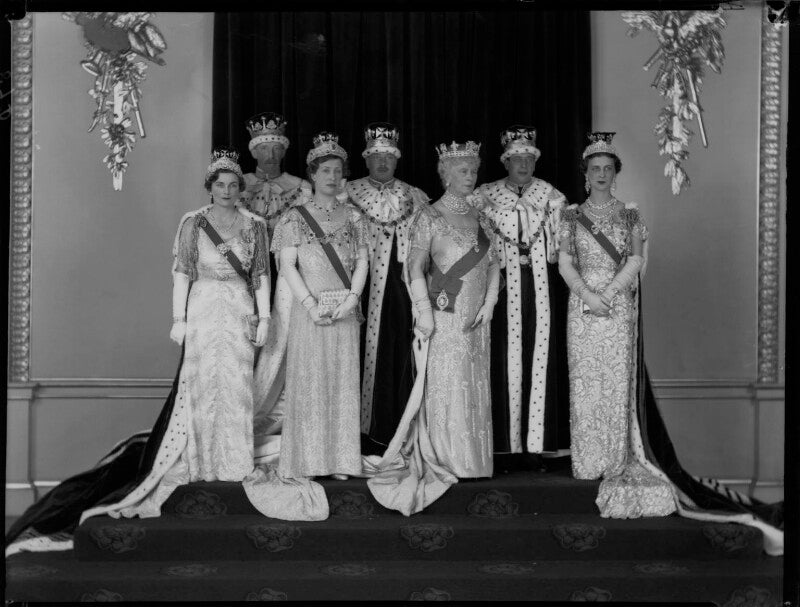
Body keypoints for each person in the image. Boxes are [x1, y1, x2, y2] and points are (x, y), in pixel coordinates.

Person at [557, 133, 783, 554]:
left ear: (616, 174)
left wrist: (610, 292)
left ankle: (619, 456)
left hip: (618, 307)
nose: (602, 175)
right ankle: (589, 458)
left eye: (608, 169)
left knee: (617, 382)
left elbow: (637, 259)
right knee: (585, 382)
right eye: (595, 170)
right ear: (585, 175)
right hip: (583, 309)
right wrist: (589, 296)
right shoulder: (570, 217)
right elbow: (566, 261)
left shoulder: (630, 216)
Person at [80, 149, 272, 521]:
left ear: (240, 189)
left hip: (238, 308)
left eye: (234, 185)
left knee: (236, 384)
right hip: (202, 307)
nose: (227, 191)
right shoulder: (194, 223)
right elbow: (182, 272)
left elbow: (262, 275)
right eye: (220, 185)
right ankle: (200, 462)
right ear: (210, 188)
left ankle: (235, 461)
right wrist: (178, 317)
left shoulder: (254, 225)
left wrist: (264, 318)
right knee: (200, 383)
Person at [366, 140, 500, 515]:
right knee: (447, 383)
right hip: (443, 315)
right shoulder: (429, 216)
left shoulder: (482, 219)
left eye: (473, 170)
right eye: (462, 170)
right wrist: (423, 311)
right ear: (445, 174)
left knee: (474, 383)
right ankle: (447, 458)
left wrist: (490, 303)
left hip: (477, 316)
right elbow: (413, 268)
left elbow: (492, 266)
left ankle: (475, 461)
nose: (470, 176)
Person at [271, 132, 369, 480]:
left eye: (337, 170)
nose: (332, 176)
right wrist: (311, 306)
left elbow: (361, 262)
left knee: (341, 383)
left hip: (343, 308)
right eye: (325, 169)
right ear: (313, 174)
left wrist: (352, 299)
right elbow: (287, 266)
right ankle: (307, 461)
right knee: (310, 382)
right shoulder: (294, 217)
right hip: (309, 311)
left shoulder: (355, 217)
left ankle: (340, 460)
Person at [477, 125, 570, 465]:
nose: (523, 165)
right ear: (506, 161)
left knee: (540, 352)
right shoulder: (486, 195)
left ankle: (539, 443)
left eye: (528, 159)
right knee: (504, 355)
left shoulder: (551, 196)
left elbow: (564, 245)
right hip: (501, 286)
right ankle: (505, 442)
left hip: (541, 284)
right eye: (517, 159)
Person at [345, 122, 430, 452]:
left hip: (397, 292)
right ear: (366, 159)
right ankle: (351, 436)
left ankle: (388, 433)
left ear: (397, 160)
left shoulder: (414, 196)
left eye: (388, 157)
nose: (382, 163)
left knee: (394, 356)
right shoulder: (347, 193)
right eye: (376, 156)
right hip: (355, 288)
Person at [241, 114, 311, 465]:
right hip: (243, 275)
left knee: (281, 338)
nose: (270, 155)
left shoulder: (299, 186)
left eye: (276, 148)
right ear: (254, 151)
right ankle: (239, 418)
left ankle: (276, 420)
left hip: (285, 273)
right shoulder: (236, 185)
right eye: (264, 148)